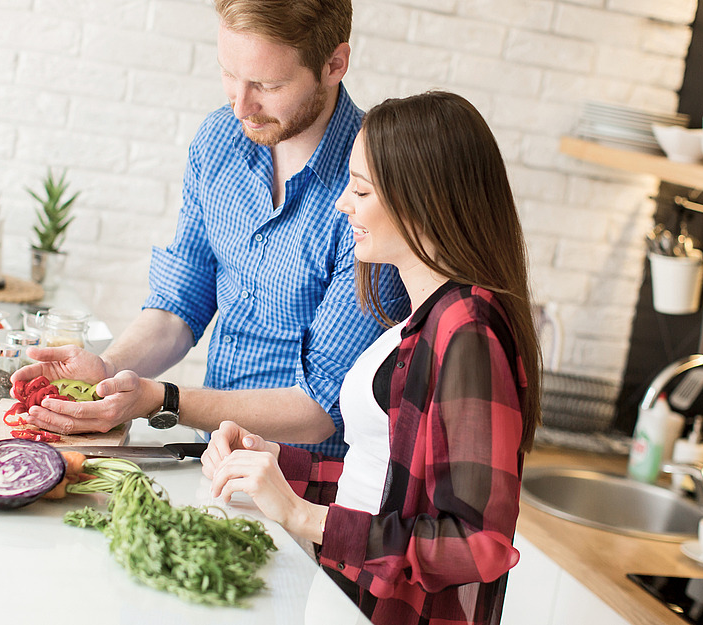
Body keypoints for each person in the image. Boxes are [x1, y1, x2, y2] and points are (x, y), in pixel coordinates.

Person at [202, 91, 543, 625]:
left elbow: (478, 544)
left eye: (360, 189)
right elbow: (383, 481)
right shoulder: (421, 317)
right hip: (347, 592)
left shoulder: (468, 330)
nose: (344, 204)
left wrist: (302, 515)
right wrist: (273, 462)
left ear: (422, 200)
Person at [11, 0, 406, 456]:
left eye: (268, 85)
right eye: (228, 74)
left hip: (310, 485)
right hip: (212, 454)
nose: (241, 105)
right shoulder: (219, 141)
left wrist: (163, 400)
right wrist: (107, 369)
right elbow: (180, 302)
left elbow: (320, 409)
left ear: (334, 64)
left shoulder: (375, 191)